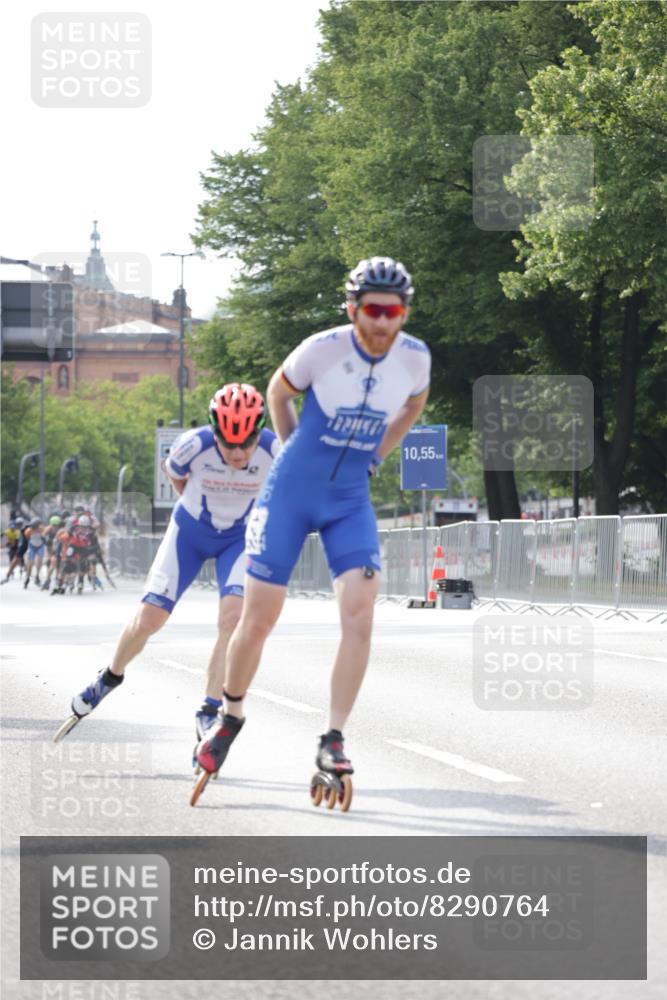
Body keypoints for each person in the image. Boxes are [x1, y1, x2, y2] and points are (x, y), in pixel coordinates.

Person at [195, 257, 431, 794]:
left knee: (360, 614)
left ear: (403, 313)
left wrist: (377, 455)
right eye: (371, 310)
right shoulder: (323, 348)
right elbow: (278, 391)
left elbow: (414, 405)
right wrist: (290, 451)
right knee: (257, 621)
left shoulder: (415, 358)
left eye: (392, 311)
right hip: (291, 492)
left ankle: (333, 737)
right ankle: (230, 716)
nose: (381, 322)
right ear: (353, 309)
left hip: (349, 497)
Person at [60, 384, 279, 744]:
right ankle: (110, 677)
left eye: (246, 443)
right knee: (150, 619)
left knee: (233, 619)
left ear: (259, 432)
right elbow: (175, 473)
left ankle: (209, 709)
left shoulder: (275, 450)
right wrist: (196, 504)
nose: (238, 452)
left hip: (239, 539)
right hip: (190, 533)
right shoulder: (193, 445)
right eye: (229, 443)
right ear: (215, 431)